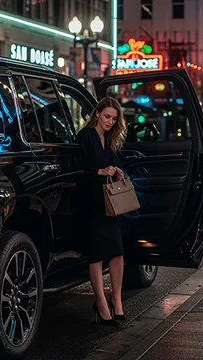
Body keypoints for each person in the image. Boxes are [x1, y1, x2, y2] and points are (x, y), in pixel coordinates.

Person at [76, 97, 127, 325]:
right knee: (96, 254)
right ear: (97, 114)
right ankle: (101, 303)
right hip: (91, 202)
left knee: (117, 252)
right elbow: (77, 170)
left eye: (114, 119)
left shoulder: (109, 139)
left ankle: (117, 300)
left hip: (109, 203)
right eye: (107, 116)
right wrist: (100, 171)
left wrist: (116, 170)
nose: (109, 121)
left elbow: (111, 163)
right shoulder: (85, 137)